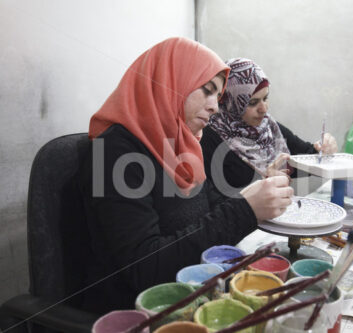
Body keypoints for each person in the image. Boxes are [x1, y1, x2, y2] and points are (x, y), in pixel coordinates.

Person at [78, 38, 293, 314]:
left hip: (191, 297)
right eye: (207, 91)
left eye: (218, 96)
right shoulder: (113, 153)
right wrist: (245, 210)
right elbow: (145, 269)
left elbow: (211, 207)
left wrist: (257, 196)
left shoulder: (181, 143)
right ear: (171, 82)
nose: (215, 106)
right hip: (139, 313)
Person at [200, 58, 337, 194]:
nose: (263, 109)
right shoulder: (209, 138)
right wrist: (263, 184)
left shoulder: (267, 127)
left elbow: (304, 157)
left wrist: (324, 149)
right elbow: (212, 205)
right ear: (231, 102)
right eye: (253, 102)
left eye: (265, 98)